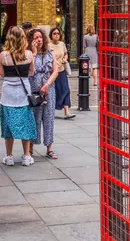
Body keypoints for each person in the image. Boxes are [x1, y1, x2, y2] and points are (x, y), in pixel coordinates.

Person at [0, 26, 37, 165]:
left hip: (8, 94)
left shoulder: (3, 55)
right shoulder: (28, 55)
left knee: (8, 125)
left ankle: (9, 156)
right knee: (26, 123)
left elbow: (2, 74)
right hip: (24, 93)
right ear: (22, 38)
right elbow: (31, 72)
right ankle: (26, 156)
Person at [28, 29, 57, 159]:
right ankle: (30, 149)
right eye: (35, 38)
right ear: (31, 40)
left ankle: (49, 148)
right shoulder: (29, 55)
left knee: (49, 118)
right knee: (34, 119)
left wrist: (47, 85)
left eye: (40, 37)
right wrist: (34, 53)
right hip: (34, 91)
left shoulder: (50, 53)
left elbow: (55, 72)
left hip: (48, 90)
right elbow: (29, 71)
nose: (38, 39)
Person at [49, 27, 74, 120]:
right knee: (54, 91)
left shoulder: (62, 44)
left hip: (62, 70)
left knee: (66, 90)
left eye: (58, 33)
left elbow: (65, 53)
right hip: (52, 72)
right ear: (51, 35)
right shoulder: (48, 45)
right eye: (54, 33)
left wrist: (65, 59)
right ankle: (52, 111)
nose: (56, 35)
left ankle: (67, 112)